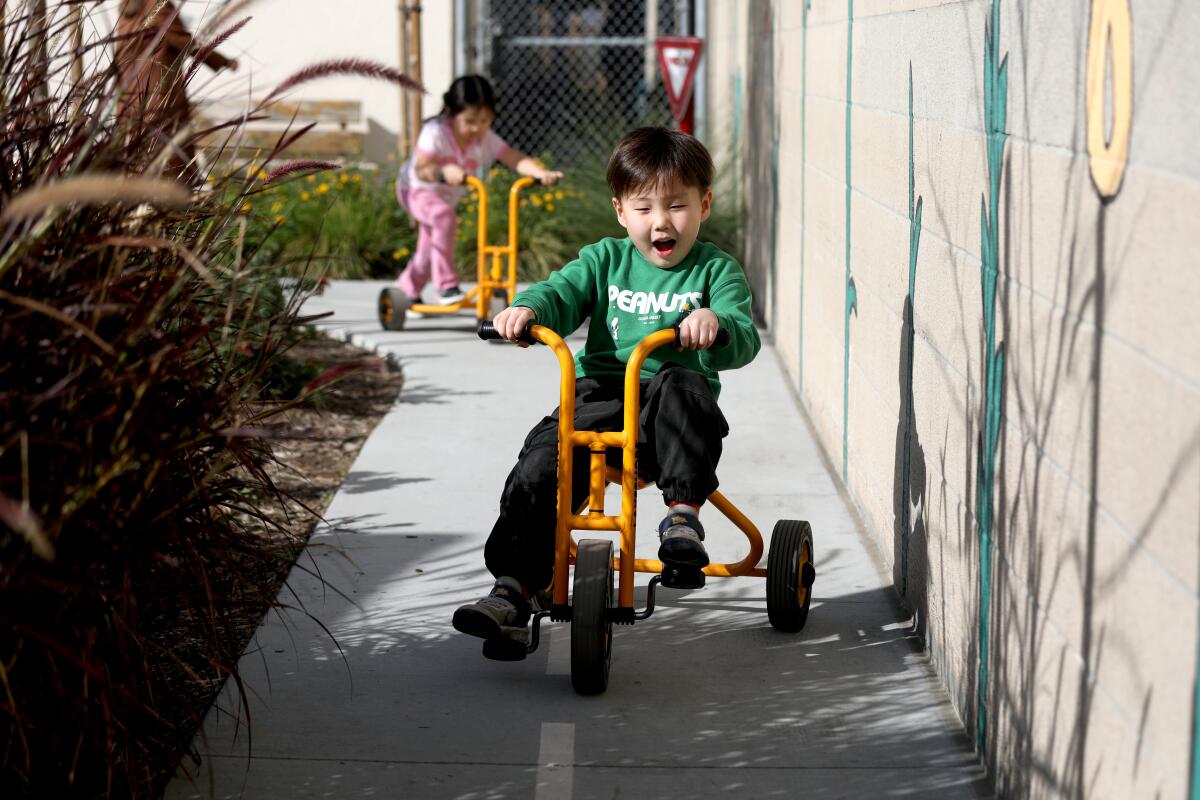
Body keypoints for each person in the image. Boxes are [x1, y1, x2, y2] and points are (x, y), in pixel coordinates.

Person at [453, 126, 761, 644]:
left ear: (704, 205)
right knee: (540, 463)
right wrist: (528, 309)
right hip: (601, 396)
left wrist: (718, 323)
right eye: (644, 208)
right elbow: (562, 290)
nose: (661, 222)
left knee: (683, 383)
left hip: (665, 416)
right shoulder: (605, 260)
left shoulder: (715, 270)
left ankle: (682, 517)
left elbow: (743, 336)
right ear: (621, 212)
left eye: (677, 206)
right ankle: (513, 586)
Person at [394, 75, 562, 307]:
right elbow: (422, 168)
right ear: (452, 113)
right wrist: (443, 169)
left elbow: (513, 157)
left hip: (444, 198)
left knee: (429, 245)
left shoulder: (484, 139)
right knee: (442, 217)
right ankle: (446, 286)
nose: (477, 128)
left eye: (484, 120)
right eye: (470, 120)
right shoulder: (436, 132)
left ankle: (406, 290)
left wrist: (538, 173)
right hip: (415, 189)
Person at [114, 0, 238, 181]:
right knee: (170, 159)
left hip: (129, 96)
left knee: (137, 157)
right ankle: (172, 203)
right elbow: (183, 40)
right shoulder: (158, 4)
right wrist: (221, 61)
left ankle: (139, 201)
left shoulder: (127, 6)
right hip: (158, 94)